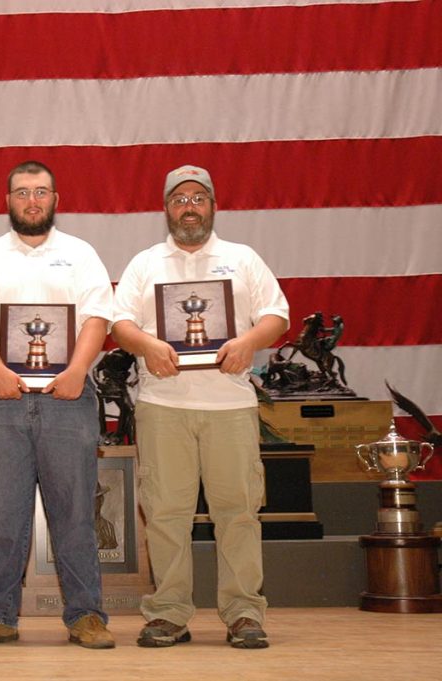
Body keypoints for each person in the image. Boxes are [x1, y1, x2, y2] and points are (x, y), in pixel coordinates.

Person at [110, 165, 289, 649]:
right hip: (162, 404)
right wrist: (147, 345)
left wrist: (250, 341)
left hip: (229, 405)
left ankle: (244, 613)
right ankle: (168, 613)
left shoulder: (242, 258)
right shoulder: (146, 263)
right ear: (166, 209)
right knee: (166, 512)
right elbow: (119, 323)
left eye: (198, 198)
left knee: (238, 512)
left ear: (213, 205)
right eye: (179, 199)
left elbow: (277, 314)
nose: (189, 207)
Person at [0, 161, 116, 649]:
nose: (32, 200)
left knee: (75, 514)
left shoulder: (81, 254)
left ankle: (86, 616)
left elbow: (97, 318)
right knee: (1, 515)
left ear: (56, 199)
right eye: (22, 192)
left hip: (68, 397)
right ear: (8, 201)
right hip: (2, 398)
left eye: (41, 192)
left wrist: (78, 371)